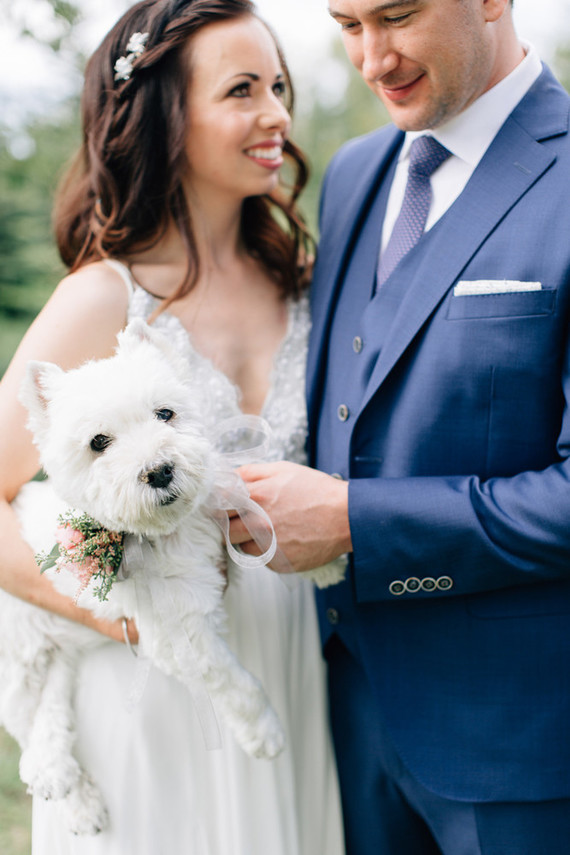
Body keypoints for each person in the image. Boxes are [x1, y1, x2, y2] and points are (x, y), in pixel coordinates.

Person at [0, 1, 345, 852]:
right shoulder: (103, 297)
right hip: (145, 692)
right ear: (164, 119)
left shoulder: (306, 281)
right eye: (241, 91)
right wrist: (121, 614)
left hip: (295, 667)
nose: (276, 115)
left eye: (279, 87)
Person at [231, 0, 570, 852]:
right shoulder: (354, 174)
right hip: (344, 722)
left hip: (521, 746)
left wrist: (354, 520)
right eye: (349, 25)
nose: (373, 59)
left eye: (398, 16)